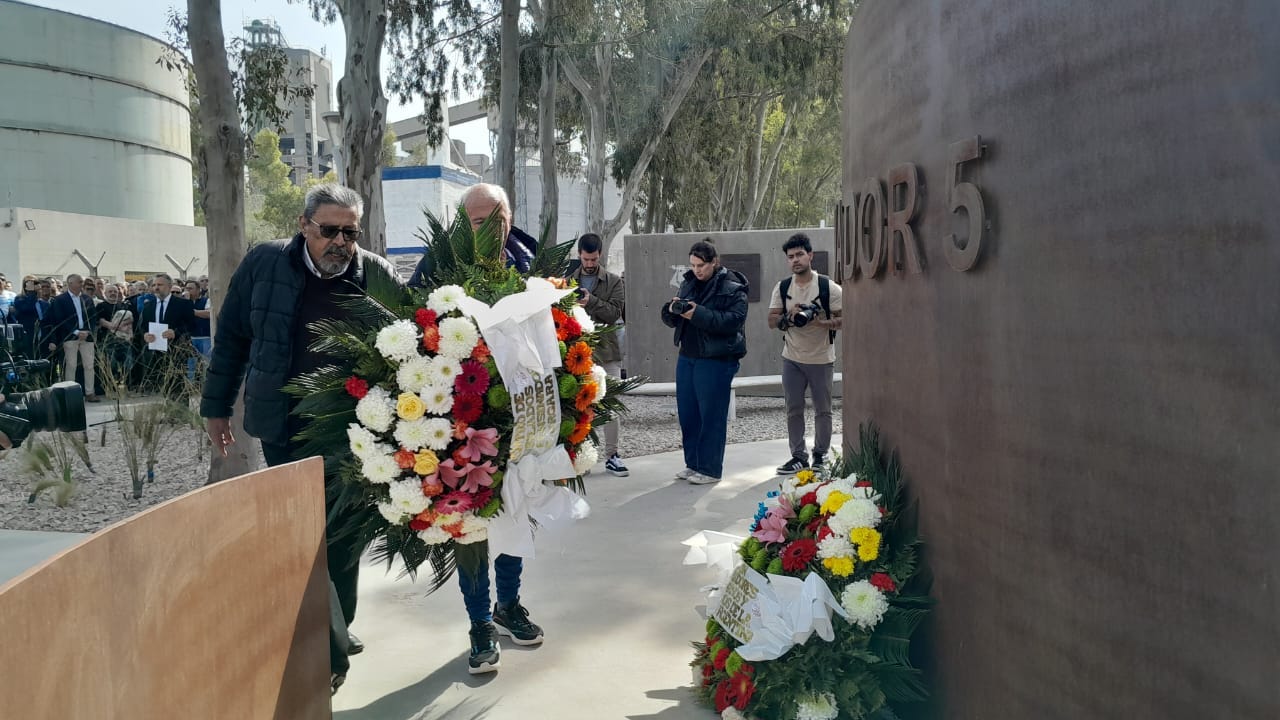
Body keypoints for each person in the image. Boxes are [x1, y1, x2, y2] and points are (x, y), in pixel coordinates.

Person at [200, 183, 401, 694]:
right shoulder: (264, 264)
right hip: (283, 426)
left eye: (350, 232)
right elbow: (233, 339)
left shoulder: (375, 274)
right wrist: (216, 407)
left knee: (343, 537)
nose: (341, 243)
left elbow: (411, 344)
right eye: (330, 230)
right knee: (303, 535)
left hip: (355, 432)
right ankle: (329, 637)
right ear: (303, 225)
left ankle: (335, 634)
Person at [661, 239, 749, 485]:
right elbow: (674, 318)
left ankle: (710, 469)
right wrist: (671, 310)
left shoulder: (734, 286)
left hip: (716, 359)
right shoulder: (688, 283)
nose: (697, 270)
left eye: (701, 265)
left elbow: (733, 321)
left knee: (711, 415)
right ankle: (693, 464)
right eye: (693, 265)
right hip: (687, 356)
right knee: (688, 414)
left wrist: (696, 313)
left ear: (715, 262)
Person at [767, 233, 843, 474]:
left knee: (823, 410)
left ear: (810, 255)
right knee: (793, 409)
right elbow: (771, 320)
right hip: (792, 358)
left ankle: (820, 455)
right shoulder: (783, 287)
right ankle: (798, 456)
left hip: (821, 358)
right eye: (790, 257)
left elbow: (846, 318)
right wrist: (788, 317)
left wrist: (822, 322)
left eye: (799, 254)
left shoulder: (828, 288)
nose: (795, 260)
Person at [569, 232, 629, 476]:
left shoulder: (613, 281)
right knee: (579, 407)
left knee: (610, 405)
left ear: (600, 255)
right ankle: (584, 457)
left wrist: (591, 301)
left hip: (607, 352)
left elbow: (615, 313)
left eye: (594, 259)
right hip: (577, 354)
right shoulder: (568, 281)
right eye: (586, 259)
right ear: (579, 255)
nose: (590, 263)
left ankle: (612, 455)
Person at [407, 183, 538, 286]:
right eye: (480, 222)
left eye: (498, 221)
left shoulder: (539, 264)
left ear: (509, 220)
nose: (490, 229)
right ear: (462, 224)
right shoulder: (434, 266)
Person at [45, 273, 101, 403]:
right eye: (79, 282)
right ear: (70, 283)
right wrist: (75, 331)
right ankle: (70, 394)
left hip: (86, 336)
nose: (82, 284)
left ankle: (90, 392)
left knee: (89, 365)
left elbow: (93, 317)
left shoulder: (87, 299)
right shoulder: (60, 300)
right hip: (70, 336)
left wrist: (88, 331)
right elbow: (60, 319)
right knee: (71, 365)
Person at [136, 273, 194, 397]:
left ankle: (178, 408)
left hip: (176, 349)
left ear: (169, 286)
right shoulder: (148, 305)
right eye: (154, 285)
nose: (156, 288)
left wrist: (175, 332)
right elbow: (142, 326)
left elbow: (191, 325)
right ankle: (163, 407)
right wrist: (145, 334)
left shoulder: (183, 304)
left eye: (160, 285)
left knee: (177, 385)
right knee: (160, 384)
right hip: (155, 350)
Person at [96, 284, 135, 393]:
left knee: (128, 363)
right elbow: (100, 320)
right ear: (105, 293)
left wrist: (123, 325)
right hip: (108, 340)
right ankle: (112, 385)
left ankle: (128, 385)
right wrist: (113, 326)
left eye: (115, 291)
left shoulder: (124, 305)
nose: (113, 293)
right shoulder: (101, 306)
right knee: (111, 364)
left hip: (124, 340)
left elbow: (131, 319)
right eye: (110, 291)